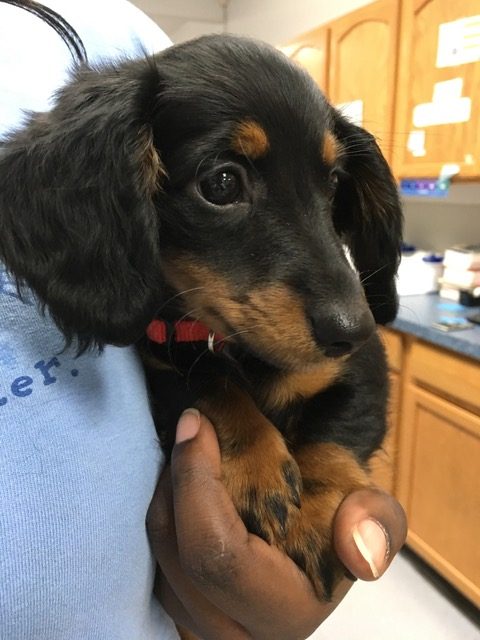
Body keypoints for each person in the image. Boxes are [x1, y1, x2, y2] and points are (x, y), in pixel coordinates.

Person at [0, 1, 407, 639]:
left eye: (326, 185)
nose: (346, 309)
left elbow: (355, 374)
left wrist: (328, 475)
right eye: (223, 183)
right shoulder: (111, 144)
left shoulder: (114, 35)